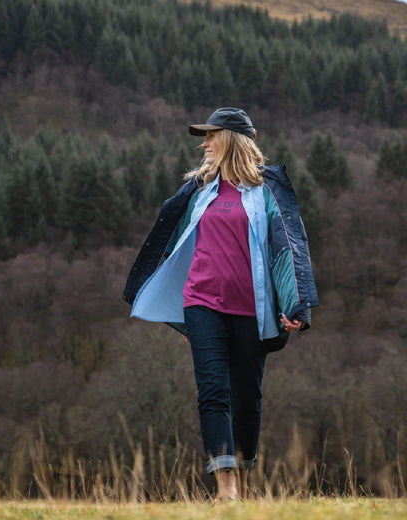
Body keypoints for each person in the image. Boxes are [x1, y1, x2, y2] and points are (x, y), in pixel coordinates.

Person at [123, 107, 319, 501]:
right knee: (212, 392)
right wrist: (183, 319)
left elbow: (286, 247)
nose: (205, 144)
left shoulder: (266, 191)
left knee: (247, 398)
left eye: (211, 136)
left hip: (251, 308)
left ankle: (242, 480)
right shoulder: (197, 192)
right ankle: (226, 486)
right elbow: (173, 250)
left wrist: (295, 304)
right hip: (201, 304)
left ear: (230, 140)